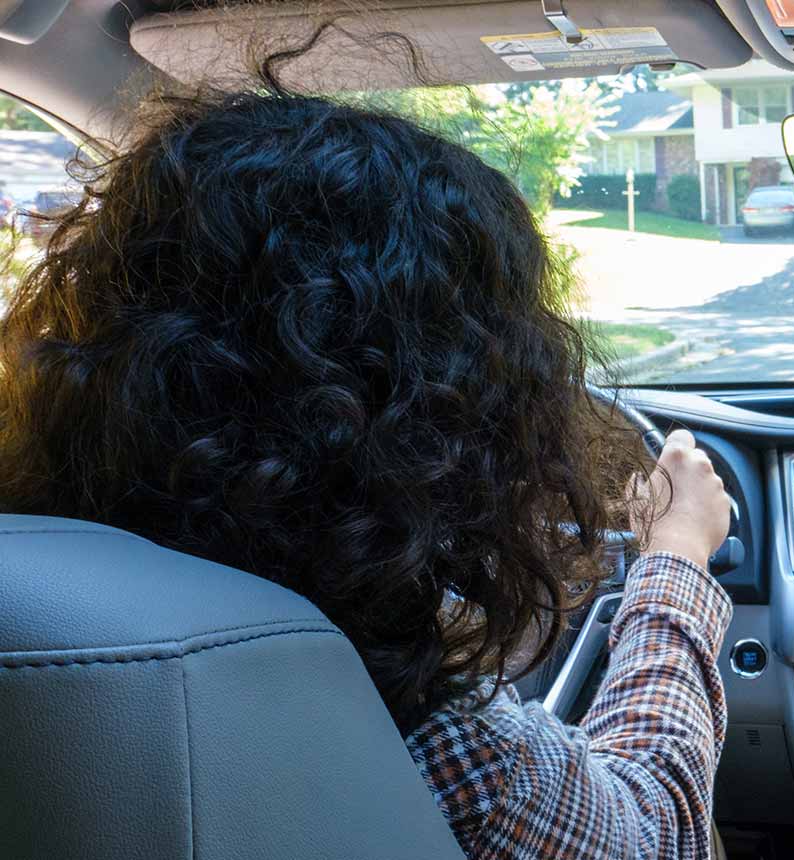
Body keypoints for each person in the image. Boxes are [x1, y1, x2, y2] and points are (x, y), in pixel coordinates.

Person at [0, 74, 734, 859]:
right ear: (444, 415)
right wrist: (677, 556)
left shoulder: (34, 590)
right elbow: (655, 829)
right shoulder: (418, 737)